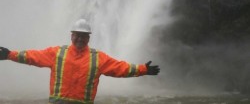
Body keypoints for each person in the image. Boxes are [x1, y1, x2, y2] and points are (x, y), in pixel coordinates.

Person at [0, 19, 160, 104]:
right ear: (71, 36)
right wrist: (9, 55)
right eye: (77, 35)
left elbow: (120, 68)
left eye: (83, 36)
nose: (80, 39)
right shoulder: (57, 53)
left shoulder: (98, 58)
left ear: (88, 38)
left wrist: (143, 69)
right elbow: (32, 57)